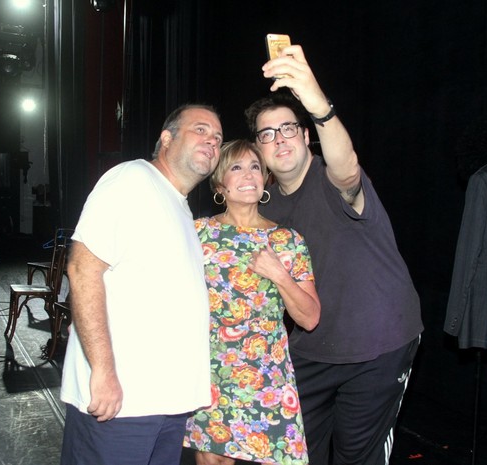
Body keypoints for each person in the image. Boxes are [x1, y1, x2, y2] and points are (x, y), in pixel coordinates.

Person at [245, 45, 424, 465]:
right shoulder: (264, 207)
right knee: (290, 450)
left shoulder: (331, 179)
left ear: (307, 135)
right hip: (311, 347)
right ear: (259, 149)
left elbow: (348, 168)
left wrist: (317, 105)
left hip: (379, 343)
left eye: (288, 128)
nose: (279, 139)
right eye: (267, 134)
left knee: (356, 458)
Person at [60, 104, 223, 465]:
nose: (211, 141)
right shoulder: (132, 179)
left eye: (217, 137)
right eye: (200, 130)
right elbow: (83, 268)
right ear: (166, 139)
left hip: (165, 405)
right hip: (121, 404)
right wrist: (102, 370)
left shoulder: (179, 207)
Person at [183, 139, 321, 465]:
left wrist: (279, 274)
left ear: (265, 178)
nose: (248, 175)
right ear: (220, 183)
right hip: (211, 372)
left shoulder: (287, 241)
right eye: (236, 167)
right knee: (214, 461)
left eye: (255, 167)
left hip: (267, 377)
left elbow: (310, 318)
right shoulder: (196, 233)